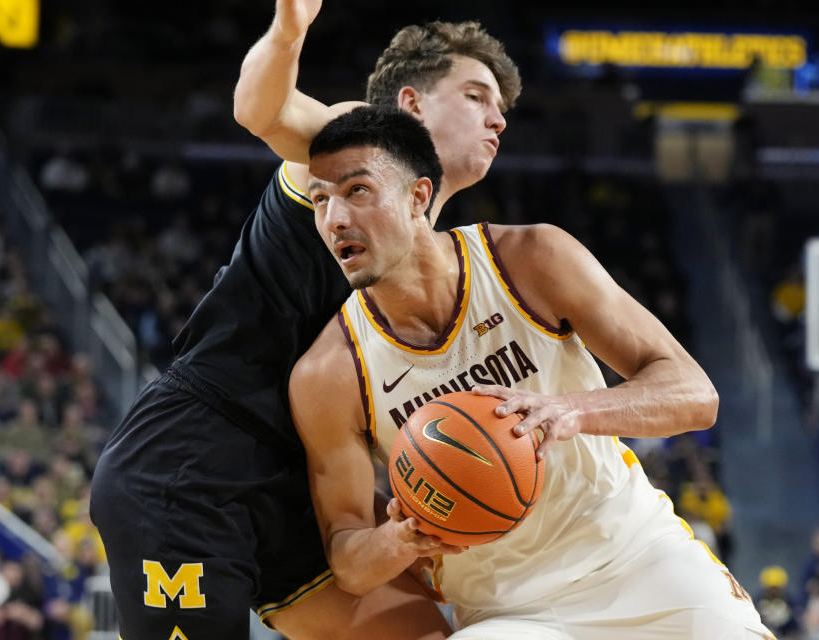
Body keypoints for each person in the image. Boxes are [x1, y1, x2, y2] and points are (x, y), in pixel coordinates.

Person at [89, 1, 521, 638]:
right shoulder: (356, 146)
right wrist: (289, 27)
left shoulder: (438, 248)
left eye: (503, 109)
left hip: (298, 482)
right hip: (193, 462)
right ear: (412, 105)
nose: (497, 118)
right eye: (477, 95)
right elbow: (261, 111)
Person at [290, 106, 775, 639]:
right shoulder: (329, 373)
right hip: (507, 614)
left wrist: (571, 410)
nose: (334, 218)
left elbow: (694, 396)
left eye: (356, 191)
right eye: (319, 199)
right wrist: (402, 539)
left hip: (639, 558)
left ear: (418, 197)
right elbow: (349, 561)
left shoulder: (529, 259)